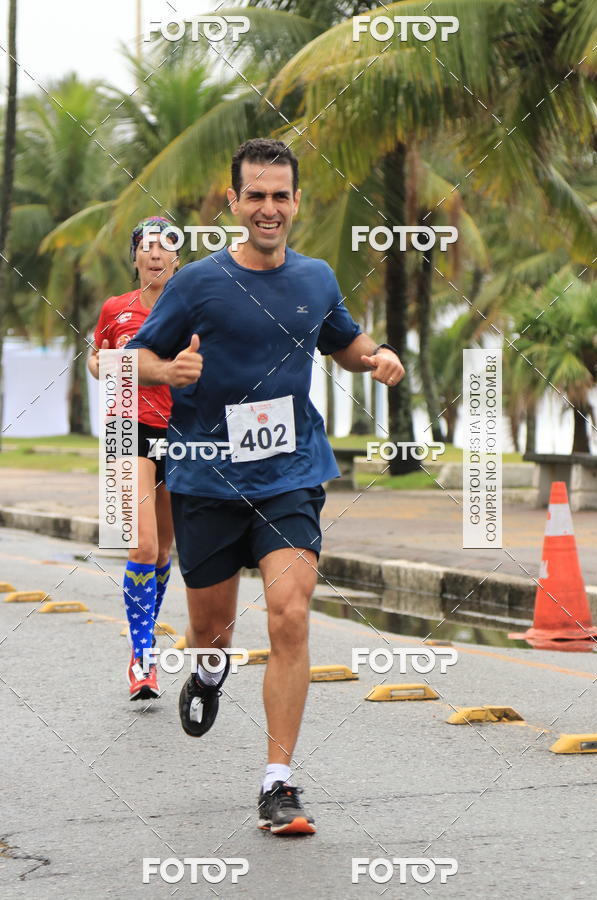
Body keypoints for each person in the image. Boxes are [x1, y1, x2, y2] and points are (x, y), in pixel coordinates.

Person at [127, 139, 405, 833]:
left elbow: (340, 340)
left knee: (289, 610)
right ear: (234, 202)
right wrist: (168, 375)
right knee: (210, 631)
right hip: (205, 477)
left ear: (297, 201)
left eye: (281, 195)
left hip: (290, 474)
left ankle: (278, 783)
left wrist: (375, 356)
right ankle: (211, 671)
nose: (269, 208)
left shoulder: (315, 278)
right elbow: (129, 360)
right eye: (256, 195)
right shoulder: (197, 283)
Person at [88, 217, 179, 701]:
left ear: (177, 258)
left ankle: (145, 639)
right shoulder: (116, 308)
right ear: (137, 257)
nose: (156, 253)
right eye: (148, 246)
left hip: (182, 435)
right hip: (128, 430)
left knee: (164, 553)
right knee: (142, 548)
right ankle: (141, 661)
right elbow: (96, 353)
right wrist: (100, 364)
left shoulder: (192, 309)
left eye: (166, 245)